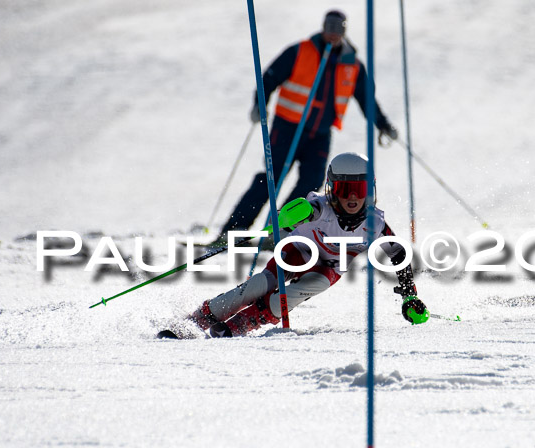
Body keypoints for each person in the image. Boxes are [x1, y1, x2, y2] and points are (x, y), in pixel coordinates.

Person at [182, 152, 428, 338]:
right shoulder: (319, 209)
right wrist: (290, 217)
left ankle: (235, 327)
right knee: (257, 286)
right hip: (298, 252)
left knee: (284, 300)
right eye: (344, 189)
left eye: (359, 189)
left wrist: (409, 296)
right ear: (332, 189)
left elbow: (399, 254)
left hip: (328, 268)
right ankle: (198, 320)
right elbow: (291, 214)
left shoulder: (374, 224)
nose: (352, 197)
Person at [215, 10, 398, 245]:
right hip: (288, 127)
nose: (332, 34)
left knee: (311, 183)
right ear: (323, 28)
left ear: (343, 31)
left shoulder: (352, 65)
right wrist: (258, 104)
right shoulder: (300, 51)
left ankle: (278, 230)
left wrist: (382, 125)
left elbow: (367, 100)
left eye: (337, 30)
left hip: (320, 134)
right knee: (272, 179)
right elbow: (269, 78)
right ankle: (234, 230)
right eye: (329, 28)